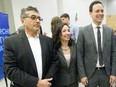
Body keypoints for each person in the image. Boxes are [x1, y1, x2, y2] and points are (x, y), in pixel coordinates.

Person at [3, 6, 59, 87]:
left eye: (39, 18)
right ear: (22, 21)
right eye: (33, 17)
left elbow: (55, 61)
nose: (37, 21)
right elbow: (10, 69)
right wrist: (36, 82)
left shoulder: (48, 41)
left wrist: (46, 81)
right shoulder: (11, 42)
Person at [77, 1, 116, 87]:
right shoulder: (83, 32)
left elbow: (114, 53)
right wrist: (82, 75)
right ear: (90, 13)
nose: (100, 13)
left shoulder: (110, 31)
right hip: (90, 74)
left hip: (106, 74)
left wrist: (113, 73)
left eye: (102, 11)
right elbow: (79, 54)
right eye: (97, 11)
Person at [52, 23, 78, 87]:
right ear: (59, 34)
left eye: (68, 30)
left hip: (73, 82)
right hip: (59, 83)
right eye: (64, 31)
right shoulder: (54, 49)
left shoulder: (74, 46)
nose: (67, 33)